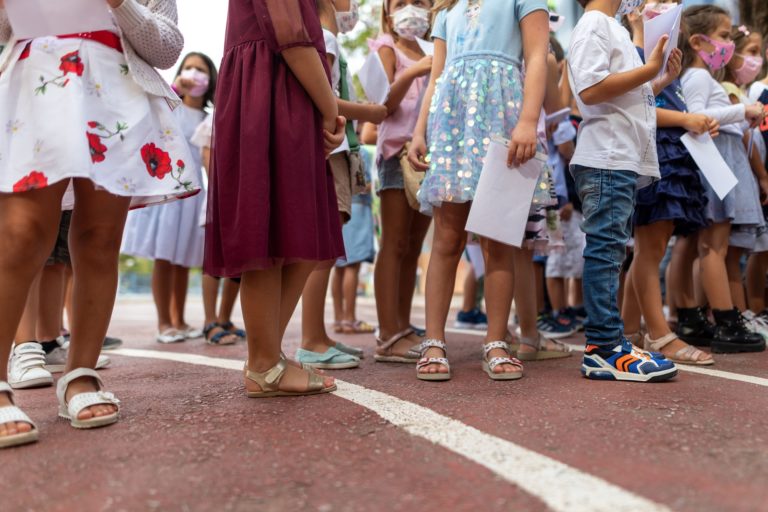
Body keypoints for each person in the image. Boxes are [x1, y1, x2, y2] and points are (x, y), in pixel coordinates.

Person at [0, 0, 197, 447]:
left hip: (117, 92)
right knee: (20, 234)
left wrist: (121, 4)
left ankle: (80, 375)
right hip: (36, 85)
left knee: (100, 238)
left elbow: (166, 47)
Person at [206, 0, 345, 398]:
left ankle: (265, 357)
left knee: (295, 231)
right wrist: (330, 106)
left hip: (282, 89)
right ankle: (264, 364)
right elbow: (291, 35)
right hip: (272, 89)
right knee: (271, 231)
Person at [408, 0, 551, 381]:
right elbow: (437, 76)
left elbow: (538, 57)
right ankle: (434, 340)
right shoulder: (446, 11)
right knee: (447, 238)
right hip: (451, 123)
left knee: (498, 238)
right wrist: (420, 131)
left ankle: (496, 340)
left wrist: (528, 120)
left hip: (502, 119)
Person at [568, 0, 681, 382]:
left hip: (619, 157)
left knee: (612, 249)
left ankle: (609, 341)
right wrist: (649, 68)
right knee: (605, 250)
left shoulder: (609, 25)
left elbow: (625, 95)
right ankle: (601, 347)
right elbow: (592, 88)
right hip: (606, 155)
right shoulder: (594, 23)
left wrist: (658, 80)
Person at [619, 2, 715, 366]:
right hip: (655, 154)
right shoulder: (635, 49)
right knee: (649, 250)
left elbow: (651, 97)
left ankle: (630, 331)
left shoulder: (663, 60)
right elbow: (640, 107)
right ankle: (661, 336)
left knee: (648, 250)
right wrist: (687, 118)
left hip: (670, 155)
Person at [296, 0, 387, 370]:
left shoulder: (325, 37)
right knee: (322, 251)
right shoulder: (327, 38)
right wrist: (369, 111)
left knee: (327, 249)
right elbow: (325, 100)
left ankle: (318, 336)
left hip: (334, 150)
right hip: (332, 152)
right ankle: (311, 342)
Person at [680, 5, 767, 353]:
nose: (729, 44)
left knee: (699, 247)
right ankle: (727, 320)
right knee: (713, 247)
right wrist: (741, 111)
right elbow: (696, 115)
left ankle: (692, 314)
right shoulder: (699, 77)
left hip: (714, 160)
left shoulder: (696, 76)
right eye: (724, 36)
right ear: (699, 41)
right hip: (712, 163)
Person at [122, 51, 217, 344]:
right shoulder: (169, 105)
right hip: (168, 189)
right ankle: (164, 322)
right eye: (188, 67)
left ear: (211, 79)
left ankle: (179, 318)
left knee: (183, 260)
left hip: (193, 195)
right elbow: (149, 112)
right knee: (164, 258)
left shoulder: (209, 118)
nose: (193, 73)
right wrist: (174, 89)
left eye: (200, 70)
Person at [370, 0, 434, 364]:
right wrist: (411, 73)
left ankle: (404, 325)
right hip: (396, 152)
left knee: (413, 245)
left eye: (420, 2)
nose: (412, 7)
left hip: (430, 155)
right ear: (388, 9)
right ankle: (387, 332)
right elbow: (382, 105)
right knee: (393, 243)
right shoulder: (385, 47)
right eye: (402, 2)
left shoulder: (434, 47)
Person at [190, 113, 245, 346]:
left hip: (246, 198)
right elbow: (208, 157)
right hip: (222, 199)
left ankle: (225, 318)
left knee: (240, 264)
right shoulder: (215, 118)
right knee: (214, 261)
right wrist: (227, 190)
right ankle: (209, 321)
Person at [331, 137, 376, 336]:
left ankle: (339, 318)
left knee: (338, 266)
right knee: (352, 265)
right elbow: (361, 183)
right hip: (357, 209)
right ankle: (350, 317)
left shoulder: (336, 146)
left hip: (340, 207)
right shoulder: (359, 149)